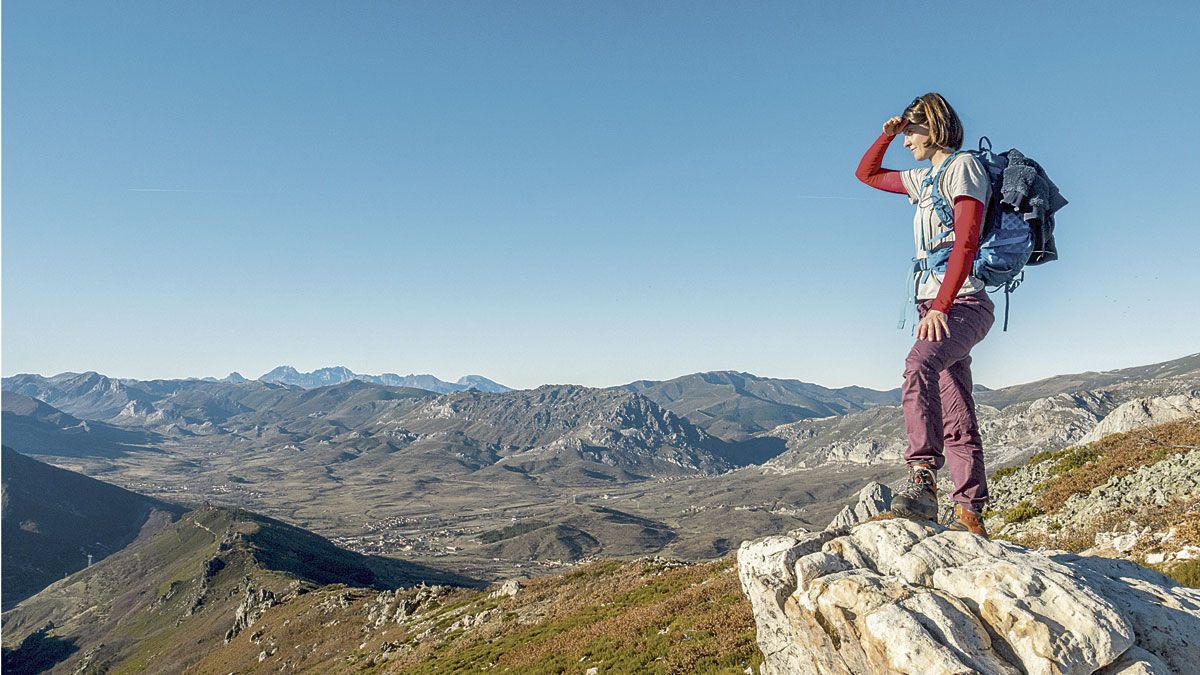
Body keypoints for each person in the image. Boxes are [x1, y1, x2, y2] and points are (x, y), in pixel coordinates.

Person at [854, 92, 995, 538]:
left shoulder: (964, 169)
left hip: (963, 302)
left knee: (918, 365)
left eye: (911, 131)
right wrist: (886, 134)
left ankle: (922, 477)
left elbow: (966, 243)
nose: (907, 140)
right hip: (933, 304)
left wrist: (940, 306)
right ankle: (971, 515)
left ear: (933, 128)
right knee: (956, 407)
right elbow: (868, 174)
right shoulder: (923, 178)